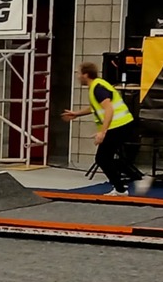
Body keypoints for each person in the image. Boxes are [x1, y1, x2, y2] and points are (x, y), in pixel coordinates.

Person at [62, 61, 144, 195]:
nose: (77, 76)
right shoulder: (96, 86)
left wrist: (102, 132)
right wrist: (77, 114)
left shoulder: (97, 87)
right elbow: (96, 107)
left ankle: (122, 188)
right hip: (121, 124)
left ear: (86, 75)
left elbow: (109, 109)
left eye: (78, 73)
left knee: (102, 159)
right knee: (107, 158)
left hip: (118, 125)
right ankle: (135, 179)